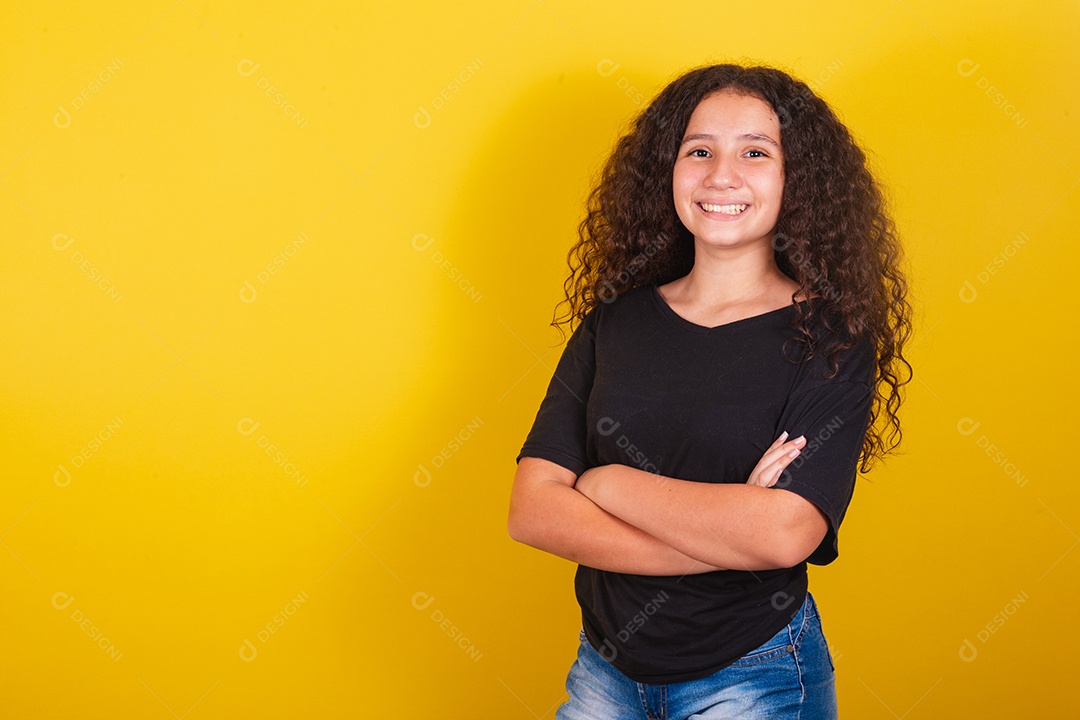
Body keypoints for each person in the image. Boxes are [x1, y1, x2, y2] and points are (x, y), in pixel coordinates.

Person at [507, 62, 912, 719]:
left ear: (796, 179)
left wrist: (608, 485)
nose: (722, 175)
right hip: (604, 670)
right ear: (668, 170)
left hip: (754, 673)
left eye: (755, 152)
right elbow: (532, 510)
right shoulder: (616, 321)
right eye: (700, 151)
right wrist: (727, 532)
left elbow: (784, 534)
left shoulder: (828, 339)